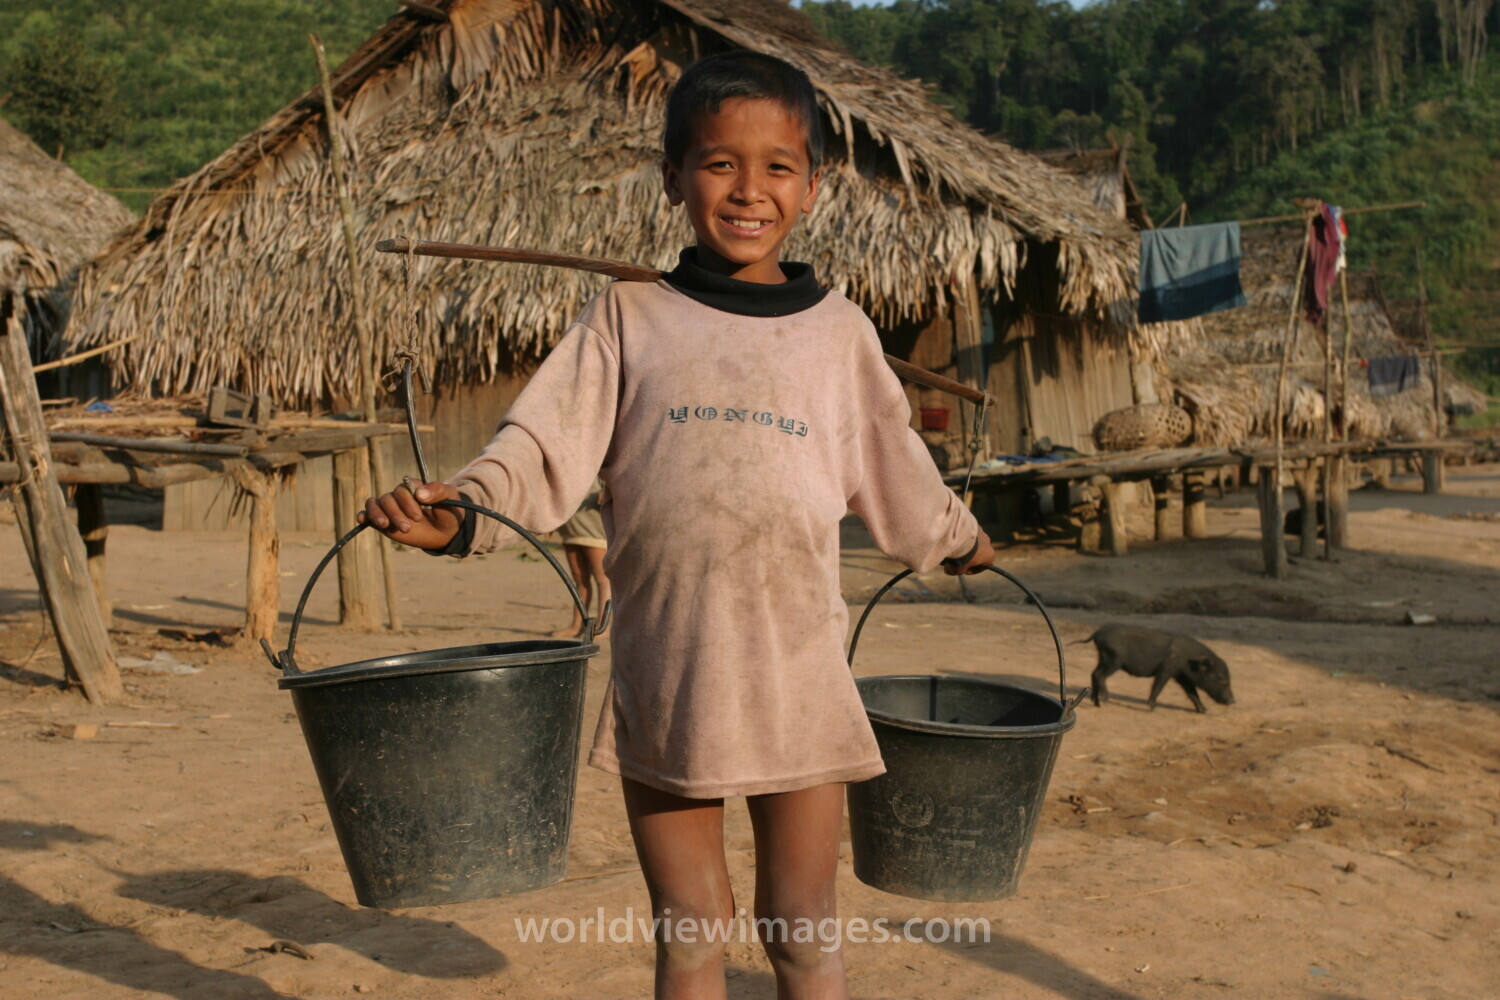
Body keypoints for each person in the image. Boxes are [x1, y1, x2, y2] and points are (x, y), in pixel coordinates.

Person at [359, 50, 994, 1000]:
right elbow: (539, 447)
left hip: (799, 676)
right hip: (668, 676)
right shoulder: (628, 319)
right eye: (718, 162)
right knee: (691, 937)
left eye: (778, 165)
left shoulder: (838, 334)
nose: (749, 189)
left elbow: (898, 470)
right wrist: (460, 519)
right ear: (673, 178)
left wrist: (963, 538)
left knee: (802, 935)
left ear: (813, 185)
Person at [551, 478, 611, 639]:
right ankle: (576, 626)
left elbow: (616, 475)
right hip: (570, 528)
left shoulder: (597, 458)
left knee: (602, 579)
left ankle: (602, 627)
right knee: (579, 579)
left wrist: (608, 488)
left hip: (592, 527)